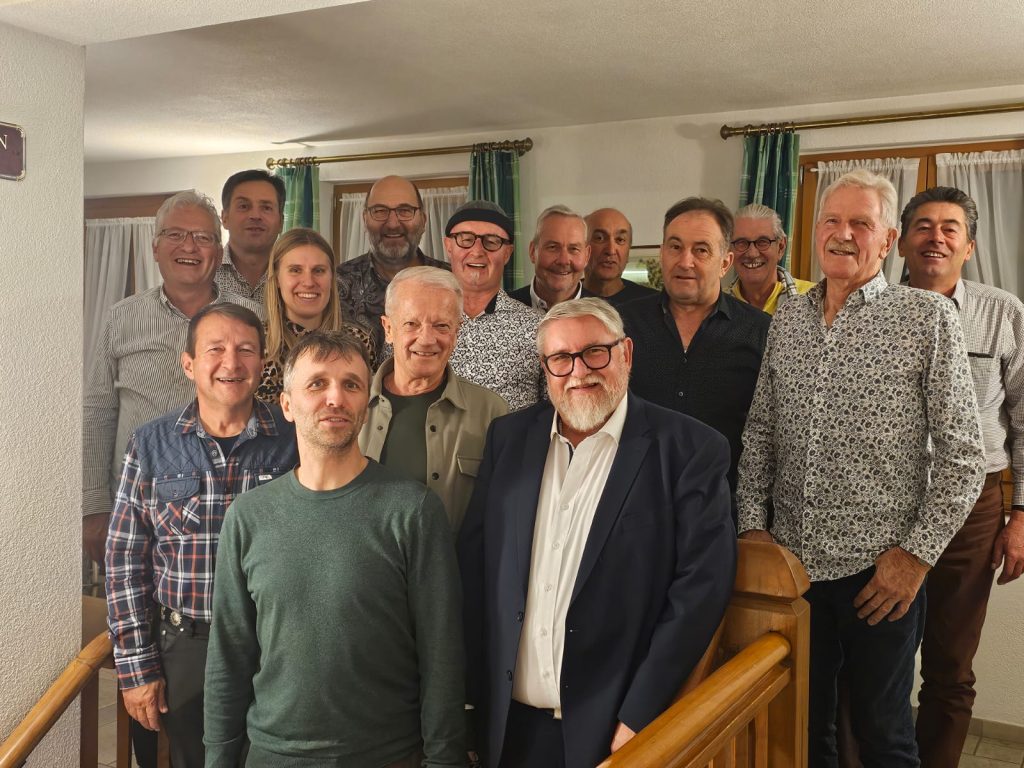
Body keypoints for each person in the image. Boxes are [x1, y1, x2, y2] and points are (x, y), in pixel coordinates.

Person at [736, 170, 985, 767]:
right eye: (832, 220)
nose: (843, 234)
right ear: (815, 231)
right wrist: (752, 527)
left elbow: (964, 458)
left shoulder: (926, 318)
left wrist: (915, 558)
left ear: (888, 239)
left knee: (883, 736)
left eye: (861, 223)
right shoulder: (788, 317)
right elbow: (761, 431)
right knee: (802, 731)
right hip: (793, 569)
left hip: (880, 575)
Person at [460, 298, 736, 768]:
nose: (579, 372)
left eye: (595, 352)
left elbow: (701, 591)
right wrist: (469, 702)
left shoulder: (690, 449)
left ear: (626, 353)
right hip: (507, 728)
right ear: (545, 368)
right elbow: (475, 571)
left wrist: (640, 715)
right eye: (561, 358)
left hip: (613, 735)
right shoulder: (508, 438)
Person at [204, 331, 465, 768]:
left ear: (366, 405)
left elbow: (442, 657)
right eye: (317, 383)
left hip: (387, 757)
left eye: (351, 385)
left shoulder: (413, 510)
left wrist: (444, 761)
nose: (335, 398)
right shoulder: (248, 517)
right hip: (273, 756)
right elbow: (228, 658)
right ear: (287, 404)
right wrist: (218, 759)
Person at [105, 303, 298, 768]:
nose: (231, 363)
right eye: (215, 349)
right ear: (189, 363)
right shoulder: (150, 444)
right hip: (186, 647)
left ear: (263, 362)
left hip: (276, 645)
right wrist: (136, 666)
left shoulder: (294, 440)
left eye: (246, 350)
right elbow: (125, 561)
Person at [898, 186, 1024, 767]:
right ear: (901, 242)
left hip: (975, 505)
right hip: (886, 502)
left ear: (969, 246)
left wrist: (1020, 515)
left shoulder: (1004, 312)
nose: (936, 237)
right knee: (872, 657)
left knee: (950, 666)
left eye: (950, 228)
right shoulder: (872, 310)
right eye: (923, 226)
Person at [83, 190, 261, 564]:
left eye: (203, 237)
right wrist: (94, 505)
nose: (189, 247)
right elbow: (97, 411)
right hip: (140, 507)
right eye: (175, 234)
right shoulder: (122, 318)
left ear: (219, 251)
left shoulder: (253, 318)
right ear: (155, 247)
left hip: (232, 504)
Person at [619, 197, 770, 493]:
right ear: (662, 253)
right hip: (636, 500)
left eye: (701, 250)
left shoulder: (761, 332)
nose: (685, 261)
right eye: (675, 247)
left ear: (725, 263)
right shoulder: (621, 325)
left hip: (724, 503)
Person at [360, 266, 508, 531]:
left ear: (457, 332)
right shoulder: (349, 405)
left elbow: (503, 515)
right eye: (412, 324)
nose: (427, 339)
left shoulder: (492, 412)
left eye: (441, 326)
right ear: (388, 329)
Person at [337, 174, 450, 364]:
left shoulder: (451, 283)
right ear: (365, 219)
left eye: (405, 211)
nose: (392, 224)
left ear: (423, 220)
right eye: (380, 211)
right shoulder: (336, 285)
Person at [444, 200, 545, 411]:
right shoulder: (419, 322)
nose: (477, 251)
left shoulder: (538, 327)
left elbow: (555, 408)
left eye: (491, 242)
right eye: (466, 239)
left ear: (507, 253)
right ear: (448, 246)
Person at [256, 227, 374, 403]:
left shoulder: (359, 341)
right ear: (277, 278)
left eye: (318, 270)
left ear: (332, 278)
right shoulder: (254, 344)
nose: (309, 282)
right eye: (295, 270)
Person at [214, 169, 285, 308]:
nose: (255, 216)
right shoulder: (206, 272)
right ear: (225, 218)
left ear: (281, 222)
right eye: (244, 206)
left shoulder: (298, 277)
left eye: (266, 208)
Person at [726, 203, 813, 314]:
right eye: (741, 243)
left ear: (781, 247)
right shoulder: (714, 307)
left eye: (763, 242)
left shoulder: (816, 300)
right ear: (729, 250)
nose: (752, 254)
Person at [509, 205, 594, 310]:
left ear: (587, 256)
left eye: (573, 249)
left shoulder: (605, 315)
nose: (563, 261)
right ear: (532, 252)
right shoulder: (500, 310)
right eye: (553, 247)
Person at [582, 207, 656, 305]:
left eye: (620, 240)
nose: (611, 250)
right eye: (599, 238)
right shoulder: (565, 299)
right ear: (582, 246)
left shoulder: (653, 304)